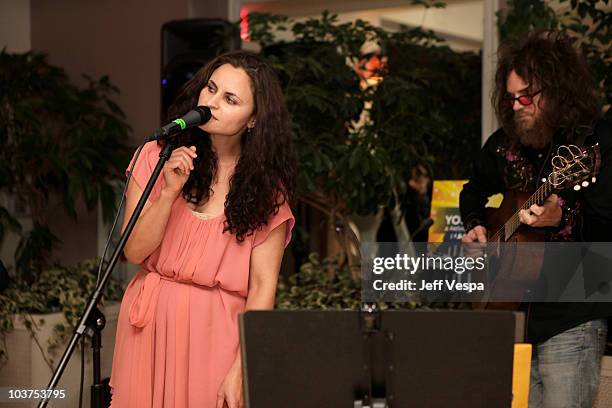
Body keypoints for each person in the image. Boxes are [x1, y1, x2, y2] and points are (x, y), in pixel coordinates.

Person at [109, 51, 297, 408]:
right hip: (147, 328)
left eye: (230, 99)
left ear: (254, 119)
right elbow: (133, 252)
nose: (211, 102)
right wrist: (168, 194)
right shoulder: (156, 155)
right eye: (210, 89)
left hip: (216, 338)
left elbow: (262, 286)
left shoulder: (266, 190)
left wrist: (241, 368)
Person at [460, 30, 611, 408]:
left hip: (572, 314)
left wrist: (561, 218)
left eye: (526, 97)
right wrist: (476, 225)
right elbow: (472, 190)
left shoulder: (593, 142)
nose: (517, 107)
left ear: (557, 90)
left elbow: (607, 226)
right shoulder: (504, 142)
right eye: (510, 99)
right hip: (510, 310)